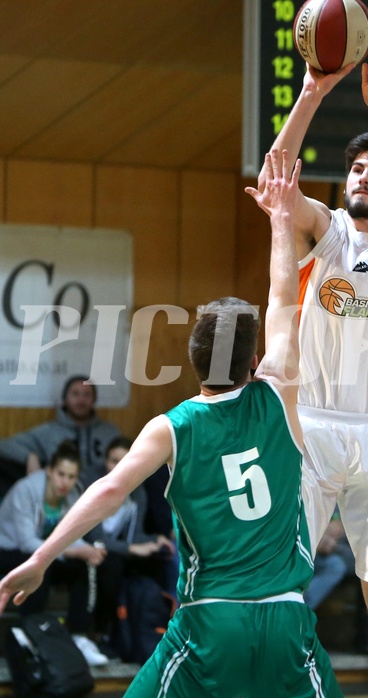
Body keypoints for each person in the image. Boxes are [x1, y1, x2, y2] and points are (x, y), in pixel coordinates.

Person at [0, 150, 344, 698]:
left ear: (193, 361)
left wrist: (41, 557)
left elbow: (110, 489)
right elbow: (283, 297)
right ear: (252, 363)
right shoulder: (279, 393)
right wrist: (282, 219)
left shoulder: (172, 426)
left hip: (211, 622)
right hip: (286, 619)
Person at [255, 45, 368, 696]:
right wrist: (310, 92)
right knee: (280, 587)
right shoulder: (324, 230)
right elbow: (276, 183)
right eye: (356, 169)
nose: (363, 177)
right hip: (310, 429)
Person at [0, 440, 109, 667]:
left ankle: (80, 636)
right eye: (61, 474)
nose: (65, 482)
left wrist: (87, 550)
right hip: (9, 549)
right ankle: (30, 633)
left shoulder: (74, 493)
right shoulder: (26, 489)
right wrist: (72, 551)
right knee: (42, 567)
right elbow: (27, 541)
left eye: (71, 476)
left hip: (45, 551)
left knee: (83, 565)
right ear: (49, 470)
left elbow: (70, 533)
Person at [93, 436, 177, 644]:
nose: (117, 467)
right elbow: (95, 539)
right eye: (113, 460)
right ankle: (101, 633)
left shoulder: (137, 491)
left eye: (123, 461)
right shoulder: (94, 489)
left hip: (116, 550)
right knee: (113, 565)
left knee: (161, 555)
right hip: (91, 551)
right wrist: (132, 549)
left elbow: (135, 533)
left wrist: (155, 539)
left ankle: (157, 628)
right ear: (105, 462)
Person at [0, 375, 120, 490]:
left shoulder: (110, 432)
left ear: (94, 399)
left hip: (104, 496)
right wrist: (29, 456)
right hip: (62, 497)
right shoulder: (48, 432)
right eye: (75, 394)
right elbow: (5, 445)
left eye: (87, 395)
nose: (81, 400)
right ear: (65, 399)